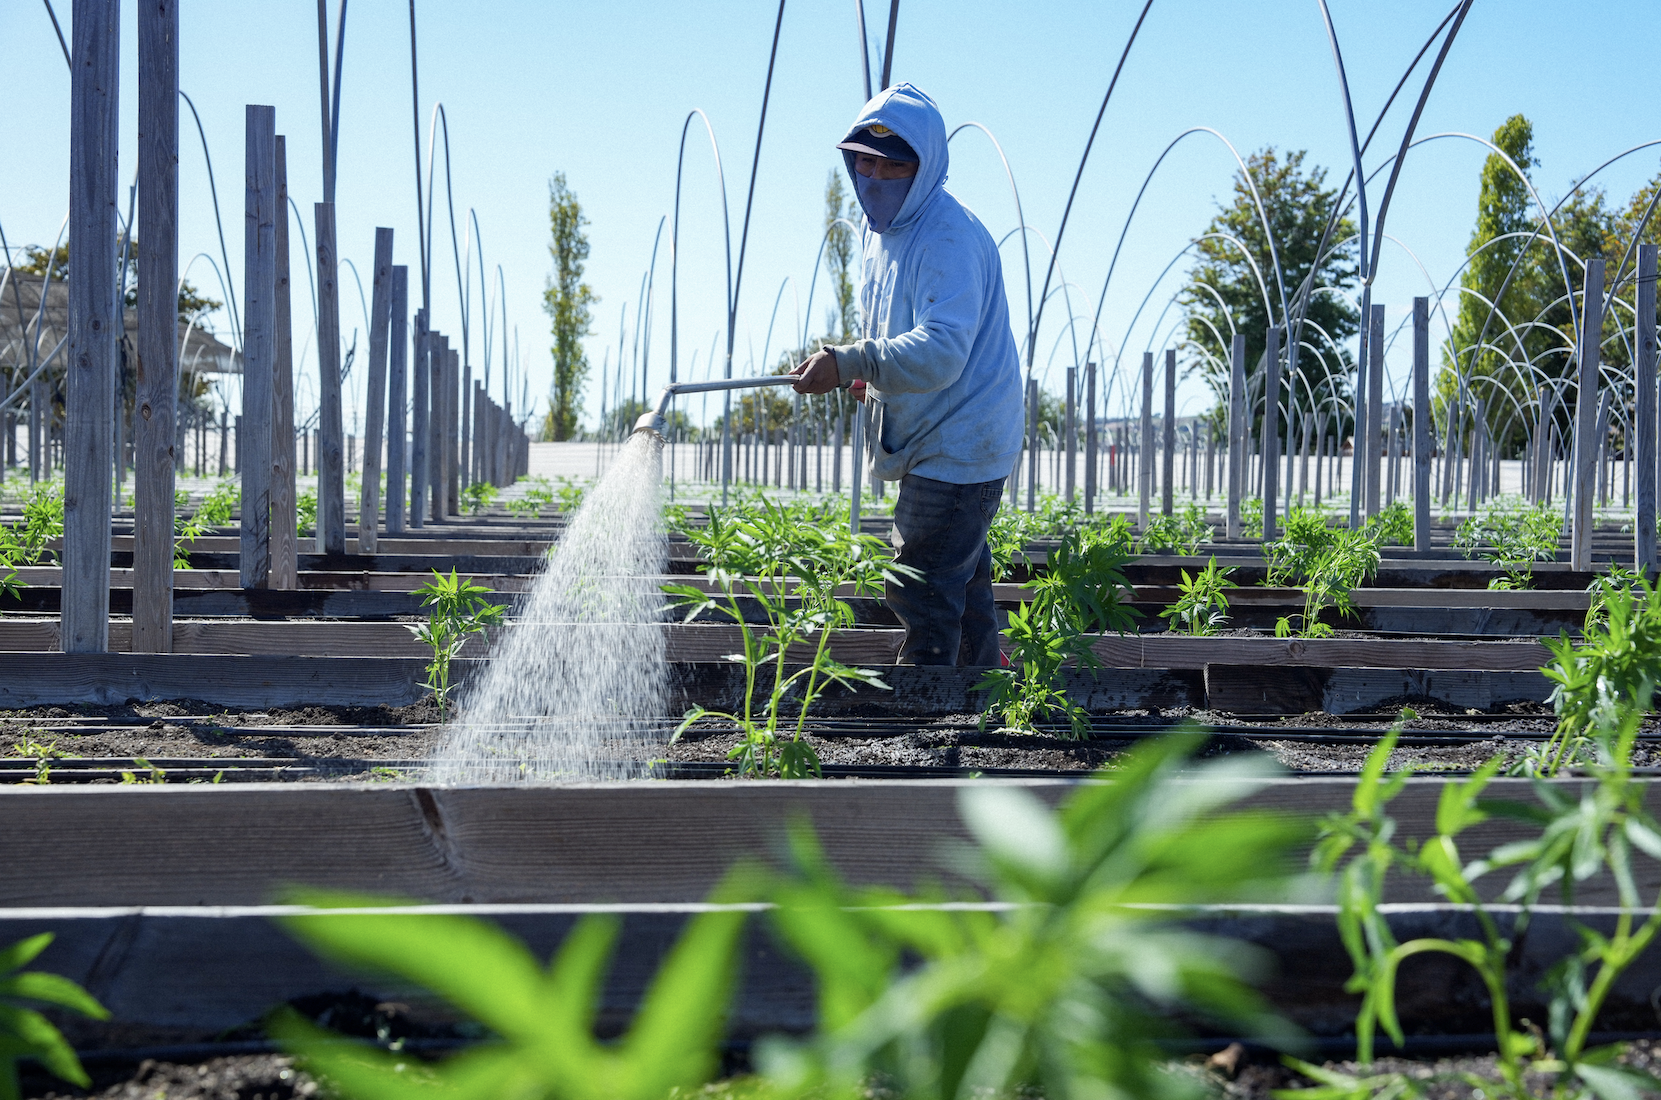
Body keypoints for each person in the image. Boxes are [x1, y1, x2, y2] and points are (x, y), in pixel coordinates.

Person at [790, 83, 1023, 666]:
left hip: (960, 441)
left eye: (889, 166)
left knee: (920, 583)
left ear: (921, 170)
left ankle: (928, 710)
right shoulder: (884, 234)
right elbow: (903, 328)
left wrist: (851, 362)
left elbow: (943, 350)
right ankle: (980, 690)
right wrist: (874, 377)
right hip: (941, 435)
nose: (871, 177)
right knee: (959, 583)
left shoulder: (946, 236)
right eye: (862, 162)